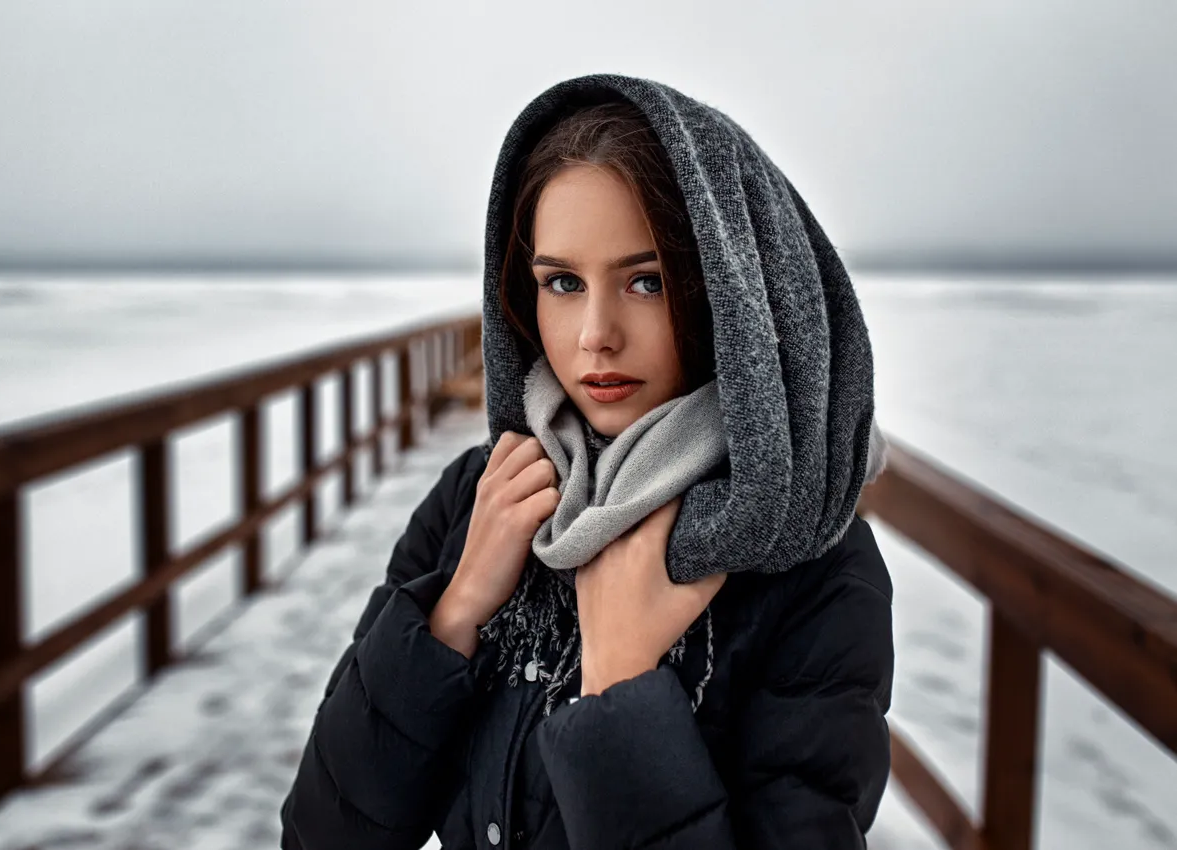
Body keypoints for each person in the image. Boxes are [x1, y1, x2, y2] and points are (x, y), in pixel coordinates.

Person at [279, 73, 894, 850]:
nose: (594, 335)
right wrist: (456, 609)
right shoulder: (482, 494)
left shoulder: (809, 564)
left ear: (732, 293)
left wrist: (622, 684)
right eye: (562, 283)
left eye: (647, 281)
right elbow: (320, 836)